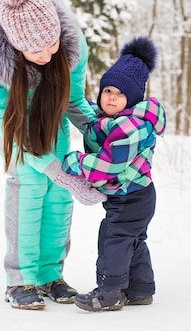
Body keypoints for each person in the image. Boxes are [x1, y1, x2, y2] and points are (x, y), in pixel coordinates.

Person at [0, 0, 106, 311]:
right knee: (31, 179)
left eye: (51, 44)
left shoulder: (71, 47)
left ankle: (50, 274)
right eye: (35, 49)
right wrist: (56, 171)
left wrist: (104, 140)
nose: (46, 54)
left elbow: (72, 101)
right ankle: (20, 279)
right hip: (2, 106)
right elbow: (14, 134)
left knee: (59, 187)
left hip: (45, 98)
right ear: (16, 46)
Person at [62, 36, 166, 312]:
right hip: (135, 194)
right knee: (133, 239)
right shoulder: (114, 120)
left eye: (119, 94)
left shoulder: (132, 128)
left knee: (114, 238)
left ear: (130, 100)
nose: (111, 97)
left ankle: (109, 292)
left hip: (132, 197)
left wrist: (76, 162)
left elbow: (110, 164)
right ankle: (141, 288)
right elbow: (95, 117)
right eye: (107, 90)